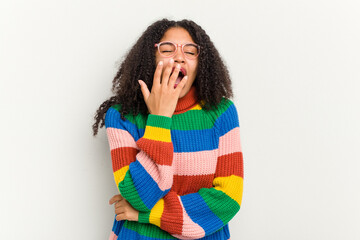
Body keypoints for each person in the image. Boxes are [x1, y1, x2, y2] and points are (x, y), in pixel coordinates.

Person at [92, 18, 244, 240]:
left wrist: (150, 214)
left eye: (190, 52)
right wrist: (160, 118)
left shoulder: (221, 113)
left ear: (202, 62)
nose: (179, 56)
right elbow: (139, 197)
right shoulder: (122, 116)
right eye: (166, 49)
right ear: (150, 58)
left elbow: (228, 200)